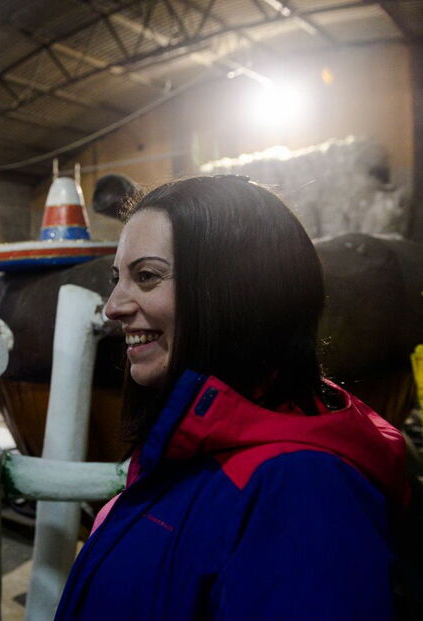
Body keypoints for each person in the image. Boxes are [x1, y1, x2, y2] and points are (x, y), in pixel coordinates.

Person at [55, 176, 407, 620]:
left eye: (146, 276)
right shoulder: (190, 443)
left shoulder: (303, 490)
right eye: (117, 278)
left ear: (236, 291)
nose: (113, 305)